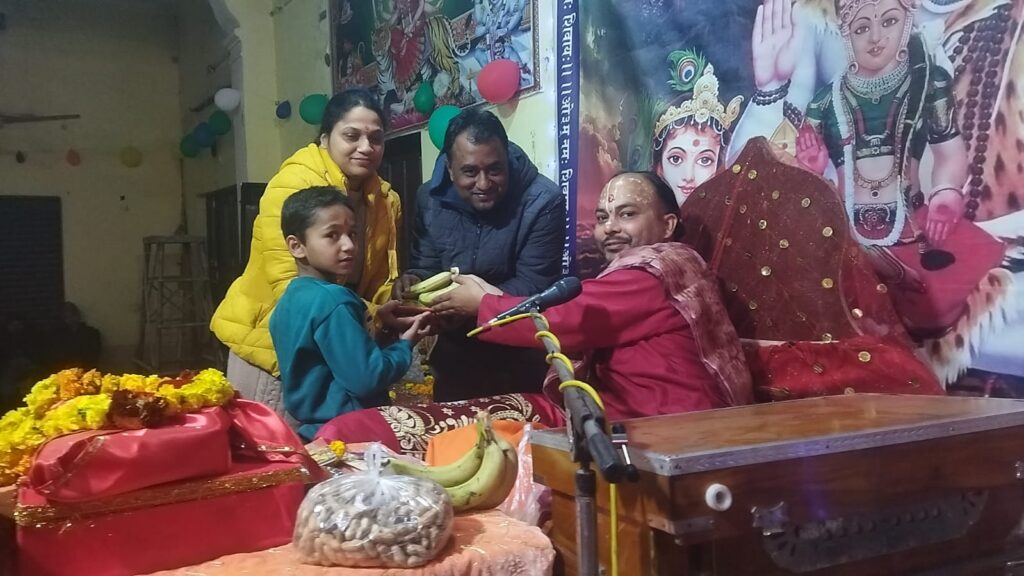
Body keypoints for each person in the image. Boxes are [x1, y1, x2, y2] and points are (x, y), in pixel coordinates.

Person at [317, 172, 752, 455]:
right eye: (603, 217)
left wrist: (481, 305)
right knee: (437, 428)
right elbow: (563, 310)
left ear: (668, 224)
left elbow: (568, 320)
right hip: (600, 415)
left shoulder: (655, 270)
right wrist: (483, 297)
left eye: (627, 214)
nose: (609, 229)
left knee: (437, 438)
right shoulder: (655, 270)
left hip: (651, 430)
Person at [795, 0, 1011, 384]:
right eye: (862, 28)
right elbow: (805, 185)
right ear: (846, 35)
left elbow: (949, 153)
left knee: (943, 318)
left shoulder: (928, 86)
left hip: (914, 232)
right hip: (849, 240)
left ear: (907, 22)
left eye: (889, 21)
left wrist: (946, 193)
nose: (876, 37)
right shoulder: (825, 101)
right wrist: (812, 168)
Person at [211, 88, 404, 417]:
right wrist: (369, 324)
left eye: (376, 138)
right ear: (325, 138)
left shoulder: (386, 199)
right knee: (280, 446)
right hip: (276, 350)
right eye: (351, 136)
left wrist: (389, 310)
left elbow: (377, 279)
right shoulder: (293, 185)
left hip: (341, 349)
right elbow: (292, 289)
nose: (365, 147)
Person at [394, 108, 566, 401]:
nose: (484, 183)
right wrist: (414, 280)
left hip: (521, 355)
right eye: (470, 172)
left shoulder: (543, 201)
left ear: (507, 160)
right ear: (450, 169)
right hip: (454, 360)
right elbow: (427, 265)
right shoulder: (429, 199)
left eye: (495, 170)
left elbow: (535, 286)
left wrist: (473, 306)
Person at [269, 187, 431, 440]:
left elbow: (335, 363)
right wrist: (404, 345)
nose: (349, 245)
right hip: (352, 432)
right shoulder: (334, 300)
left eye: (353, 234)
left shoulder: (289, 300)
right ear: (297, 246)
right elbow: (366, 379)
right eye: (332, 235)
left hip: (314, 432)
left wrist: (380, 326)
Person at [651, 52, 743, 205]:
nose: (689, 176)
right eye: (676, 159)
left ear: (720, 166)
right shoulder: (647, 217)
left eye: (705, 160)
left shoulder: (731, 216)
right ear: (659, 167)